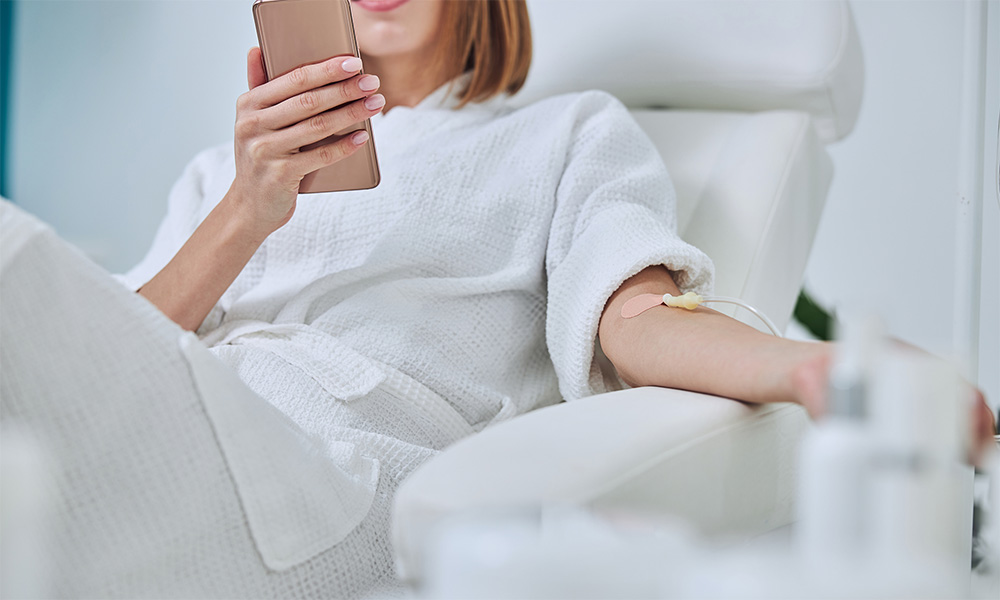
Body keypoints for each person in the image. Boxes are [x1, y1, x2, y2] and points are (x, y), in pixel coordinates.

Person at [0, 0, 993, 598]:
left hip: (325, 480)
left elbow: (637, 323)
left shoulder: (562, 137)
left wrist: (823, 369)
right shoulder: (234, 167)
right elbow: (103, 353)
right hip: (181, 427)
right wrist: (245, 212)